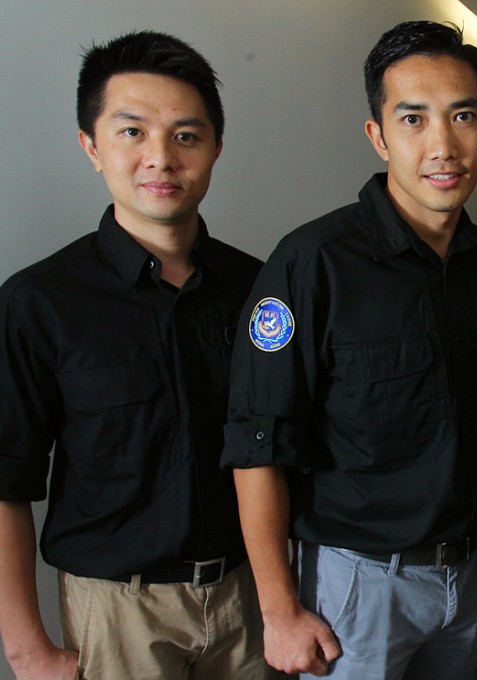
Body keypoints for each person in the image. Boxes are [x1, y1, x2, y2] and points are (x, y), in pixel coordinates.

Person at [223, 21, 477, 679]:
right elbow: (256, 445)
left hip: (468, 575)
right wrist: (278, 612)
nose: (442, 145)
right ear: (378, 135)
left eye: (462, 115)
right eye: (413, 119)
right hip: (358, 586)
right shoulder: (312, 265)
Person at [0, 31, 274, 680]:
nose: (161, 158)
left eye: (186, 135)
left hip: (245, 596)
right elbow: (4, 481)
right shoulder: (39, 302)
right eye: (131, 133)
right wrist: (25, 648)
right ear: (91, 146)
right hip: (119, 606)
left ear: (215, 148)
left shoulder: (259, 290)